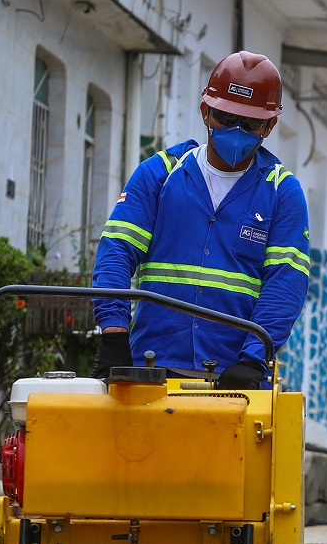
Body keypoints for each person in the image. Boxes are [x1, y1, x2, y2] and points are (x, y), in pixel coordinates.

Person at [90, 52, 311, 388]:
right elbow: (117, 251)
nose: (236, 130)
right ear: (205, 111)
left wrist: (253, 359)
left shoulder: (282, 192)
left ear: (269, 126)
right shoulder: (160, 173)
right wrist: (114, 333)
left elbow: (286, 283)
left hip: (235, 379)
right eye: (226, 117)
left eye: (250, 123)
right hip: (152, 369)